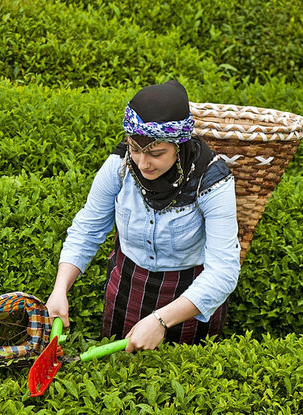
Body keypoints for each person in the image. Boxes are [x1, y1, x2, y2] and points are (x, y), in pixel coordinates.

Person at [45, 80, 240, 353]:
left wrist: (161, 320)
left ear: (179, 146)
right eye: (135, 149)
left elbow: (224, 272)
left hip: (188, 296)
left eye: (156, 153)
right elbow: (87, 230)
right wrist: (60, 289)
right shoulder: (119, 166)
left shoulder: (211, 181)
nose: (143, 163)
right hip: (128, 287)